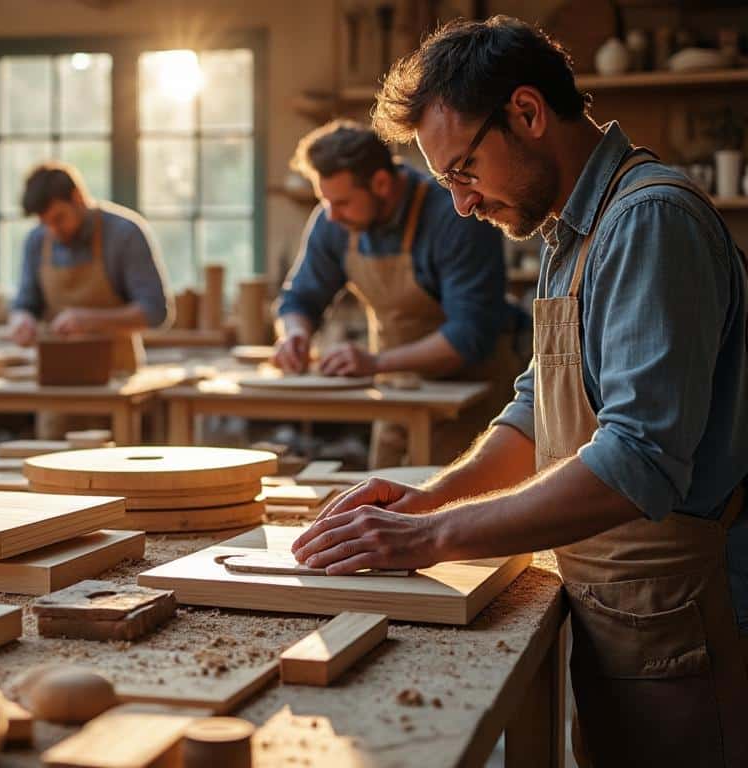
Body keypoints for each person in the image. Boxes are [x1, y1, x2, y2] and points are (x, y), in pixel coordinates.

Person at [291, 17, 748, 767]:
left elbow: (638, 460)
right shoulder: (570, 230)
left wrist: (432, 539)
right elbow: (538, 409)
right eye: (445, 184)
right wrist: (430, 500)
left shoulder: (648, 219)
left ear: (528, 114)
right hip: (618, 596)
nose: (463, 204)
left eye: (464, 171)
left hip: (683, 611)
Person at [273, 120, 528, 467]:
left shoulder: (454, 218)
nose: (331, 215)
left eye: (343, 202)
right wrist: (295, 335)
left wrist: (375, 363)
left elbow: (469, 335)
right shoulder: (334, 221)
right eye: (326, 201)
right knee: (386, 497)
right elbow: (300, 298)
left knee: (458, 504)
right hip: (396, 395)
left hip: (471, 397)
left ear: (380, 183)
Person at [7, 162, 172, 373]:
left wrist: (89, 320)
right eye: (45, 223)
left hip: (115, 375)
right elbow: (26, 303)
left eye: (59, 219)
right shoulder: (37, 240)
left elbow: (155, 312)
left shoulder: (124, 234)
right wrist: (21, 318)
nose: (53, 231)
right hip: (54, 375)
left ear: (77, 198)